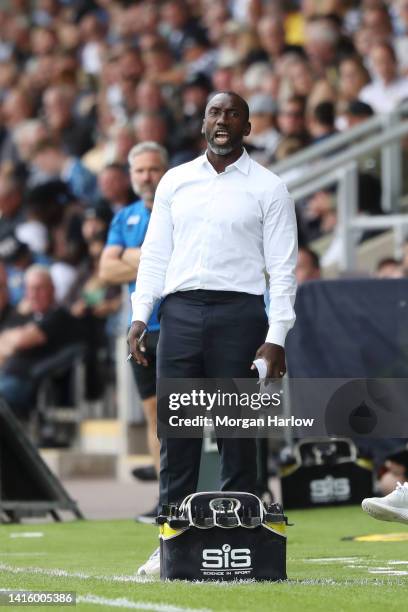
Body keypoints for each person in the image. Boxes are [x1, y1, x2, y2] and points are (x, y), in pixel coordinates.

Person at [128, 91, 298, 575]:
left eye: (233, 114)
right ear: (204, 123)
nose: (222, 121)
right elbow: (155, 255)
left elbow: (283, 271)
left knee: (237, 434)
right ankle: (170, 539)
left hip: (241, 315)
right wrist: (141, 316)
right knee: (175, 433)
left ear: (247, 127)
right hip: (178, 315)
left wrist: (277, 335)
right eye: (214, 113)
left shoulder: (269, 188)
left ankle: (237, 538)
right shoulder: (175, 182)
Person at [99, 142, 168, 523]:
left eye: (153, 169)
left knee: (186, 412)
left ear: (165, 170)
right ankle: (166, 498)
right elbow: (105, 271)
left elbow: (173, 262)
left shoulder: (178, 210)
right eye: (140, 170)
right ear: (131, 175)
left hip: (177, 324)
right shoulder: (124, 216)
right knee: (153, 413)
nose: (146, 177)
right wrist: (145, 257)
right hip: (141, 329)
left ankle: (204, 492)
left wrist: (129, 256)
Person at [0, 264, 80, 418]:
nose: (34, 294)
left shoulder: (58, 315)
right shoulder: (23, 315)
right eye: (30, 289)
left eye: (39, 288)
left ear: (52, 289)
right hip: (7, 377)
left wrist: (12, 340)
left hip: (28, 383)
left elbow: (22, 341)